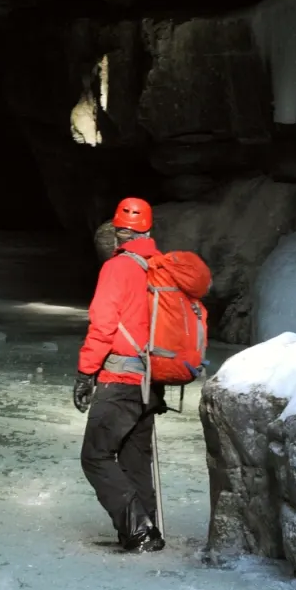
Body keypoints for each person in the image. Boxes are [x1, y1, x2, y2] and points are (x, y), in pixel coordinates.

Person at [73, 197, 166, 553]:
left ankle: (140, 532)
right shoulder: (158, 264)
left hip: (122, 380)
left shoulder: (118, 268)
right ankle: (148, 529)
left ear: (117, 234)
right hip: (152, 378)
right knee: (133, 458)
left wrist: (85, 373)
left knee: (95, 456)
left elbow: (103, 326)